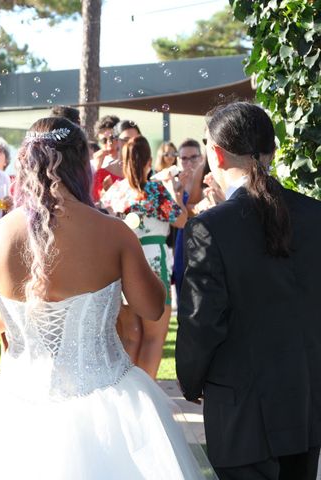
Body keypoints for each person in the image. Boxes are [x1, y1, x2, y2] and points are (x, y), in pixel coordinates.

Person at [0, 117, 213, 479]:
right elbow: (152, 307)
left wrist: (27, 315)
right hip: (108, 399)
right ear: (80, 164)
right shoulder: (113, 233)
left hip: (16, 403)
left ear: (25, 165)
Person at [176, 102, 321, 480]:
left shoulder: (211, 227)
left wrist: (191, 380)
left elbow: (201, 320)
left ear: (217, 155)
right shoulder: (315, 214)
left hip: (243, 410)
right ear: (272, 150)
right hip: (306, 402)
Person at [101, 136, 186, 379]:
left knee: (129, 337)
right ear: (149, 161)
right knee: (153, 337)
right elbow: (181, 220)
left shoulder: (115, 192)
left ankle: (126, 397)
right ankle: (146, 401)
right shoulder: (154, 190)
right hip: (153, 261)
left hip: (121, 263)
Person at [172, 138, 207, 297]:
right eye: (184, 158)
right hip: (183, 235)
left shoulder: (207, 179)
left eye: (193, 157)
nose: (189, 162)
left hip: (203, 235)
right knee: (182, 276)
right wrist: (177, 194)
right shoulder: (174, 184)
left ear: (201, 158)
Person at [90, 115, 121, 202]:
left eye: (112, 138)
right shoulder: (92, 164)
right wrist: (96, 168)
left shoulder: (127, 161)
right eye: (104, 140)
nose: (109, 143)